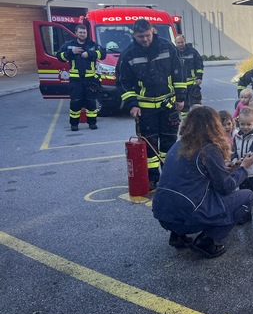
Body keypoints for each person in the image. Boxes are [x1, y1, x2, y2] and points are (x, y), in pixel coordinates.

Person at [152, 106, 253, 259]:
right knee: (247, 196)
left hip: (163, 214)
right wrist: (243, 168)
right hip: (188, 216)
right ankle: (208, 240)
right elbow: (226, 187)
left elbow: (191, 176)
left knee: (185, 192)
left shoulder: (178, 145)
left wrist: (224, 169)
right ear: (214, 125)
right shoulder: (209, 149)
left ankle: (177, 235)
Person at [116, 18, 186, 189]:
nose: (145, 39)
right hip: (145, 109)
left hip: (167, 105)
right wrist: (132, 104)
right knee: (148, 146)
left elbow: (179, 72)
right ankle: (153, 178)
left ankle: (169, 175)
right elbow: (123, 82)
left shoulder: (167, 47)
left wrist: (181, 97)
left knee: (169, 142)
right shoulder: (128, 54)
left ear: (153, 30)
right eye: (141, 37)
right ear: (134, 35)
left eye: (147, 35)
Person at [56, 24, 106, 131]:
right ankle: (74, 124)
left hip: (90, 79)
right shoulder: (69, 45)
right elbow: (59, 56)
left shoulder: (92, 45)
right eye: (80, 32)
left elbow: (103, 53)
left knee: (91, 102)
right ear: (76, 33)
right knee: (75, 102)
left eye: (84, 32)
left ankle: (92, 123)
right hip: (76, 79)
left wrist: (90, 54)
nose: (83, 34)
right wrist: (71, 52)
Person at [175, 35, 204, 112]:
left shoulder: (192, 52)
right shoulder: (173, 53)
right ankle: (186, 121)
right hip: (181, 84)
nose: (180, 44)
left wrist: (199, 77)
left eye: (182, 42)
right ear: (175, 43)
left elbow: (199, 65)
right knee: (184, 105)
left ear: (185, 41)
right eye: (178, 42)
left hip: (193, 83)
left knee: (196, 104)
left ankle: (198, 120)